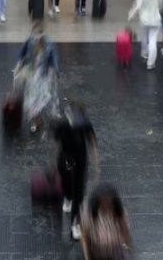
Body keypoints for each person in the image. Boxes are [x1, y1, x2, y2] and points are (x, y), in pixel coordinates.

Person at [55, 102, 100, 241]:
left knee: (79, 192)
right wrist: (52, 162)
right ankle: (68, 196)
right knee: (67, 182)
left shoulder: (85, 125)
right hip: (66, 158)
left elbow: (92, 142)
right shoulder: (62, 125)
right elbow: (56, 144)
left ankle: (75, 223)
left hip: (80, 159)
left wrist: (96, 164)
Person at [16, 23, 59, 133]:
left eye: (38, 34)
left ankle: (39, 117)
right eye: (34, 33)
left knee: (41, 98)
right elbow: (22, 54)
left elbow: (53, 58)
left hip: (43, 75)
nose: (36, 36)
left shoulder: (49, 44)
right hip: (32, 75)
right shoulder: (29, 42)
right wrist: (19, 67)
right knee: (31, 100)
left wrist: (55, 70)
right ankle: (34, 121)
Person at [80, 184, 133, 260]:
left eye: (109, 203)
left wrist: (127, 248)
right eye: (103, 204)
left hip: (115, 253)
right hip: (97, 254)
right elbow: (84, 238)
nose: (106, 206)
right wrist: (87, 257)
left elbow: (126, 233)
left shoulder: (119, 213)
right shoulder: (89, 213)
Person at [128, 0, 163, 70]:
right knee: (152, 41)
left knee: (144, 36)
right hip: (156, 20)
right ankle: (150, 63)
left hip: (144, 19)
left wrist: (131, 15)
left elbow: (138, 6)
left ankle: (144, 53)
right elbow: (161, 6)